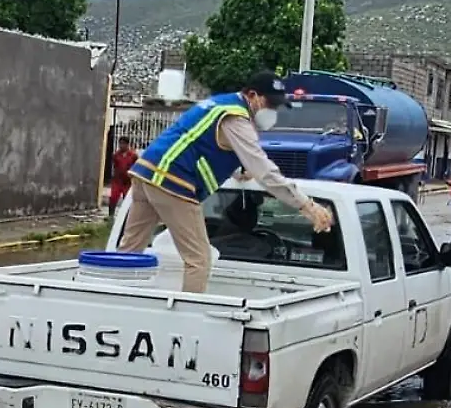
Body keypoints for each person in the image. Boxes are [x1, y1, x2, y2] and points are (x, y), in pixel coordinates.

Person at [117, 71, 334, 293]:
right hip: (174, 181)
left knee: (129, 250)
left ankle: (112, 300)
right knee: (199, 260)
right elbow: (265, 171)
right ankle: (186, 320)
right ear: (252, 95)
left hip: (147, 173)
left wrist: (239, 171)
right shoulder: (236, 117)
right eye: (271, 104)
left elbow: (206, 145)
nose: (273, 111)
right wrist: (306, 205)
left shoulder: (219, 104)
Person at [107, 135, 137, 208]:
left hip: (128, 181)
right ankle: (110, 216)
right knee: (113, 197)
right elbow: (115, 166)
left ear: (127, 144)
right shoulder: (116, 155)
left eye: (123, 144)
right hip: (117, 180)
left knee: (126, 199)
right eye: (120, 143)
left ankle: (126, 217)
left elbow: (136, 167)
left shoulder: (133, 155)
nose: (121, 145)